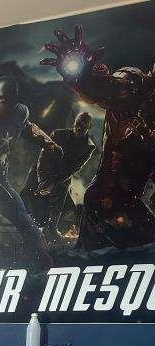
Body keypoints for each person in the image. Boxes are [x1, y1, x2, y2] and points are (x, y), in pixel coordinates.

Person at [41, 25, 155, 249]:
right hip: (107, 205)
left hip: (124, 208)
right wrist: (82, 72)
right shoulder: (135, 86)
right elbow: (104, 88)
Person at [0, 76, 63, 263]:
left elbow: (28, 128)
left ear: (11, 101)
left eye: (0, 100)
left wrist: (48, 142)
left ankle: (42, 260)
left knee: (23, 219)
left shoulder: (20, 112)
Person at [22, 111, 97, 242]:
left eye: (83, 126)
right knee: (29, 198)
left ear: (89, 127)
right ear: (74, 122)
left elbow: (73, 169)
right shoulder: (58, 134)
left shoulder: (88, 147)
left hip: (61, 178)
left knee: (61, 198)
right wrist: (43, 180)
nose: (79, 128)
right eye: (78, 124)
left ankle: (51, 229)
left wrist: (54, 183)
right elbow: (43, 158)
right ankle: (28, 229)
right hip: (41, 172)